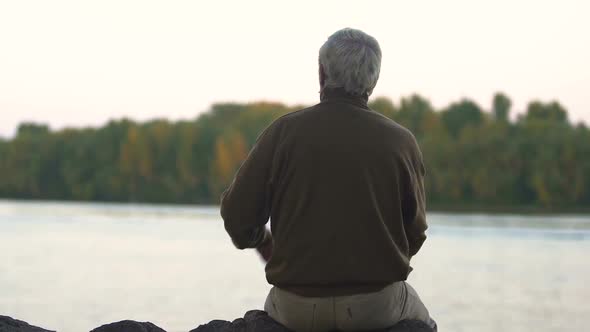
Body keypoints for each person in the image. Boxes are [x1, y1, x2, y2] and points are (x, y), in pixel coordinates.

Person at [220, 28, 437, 332]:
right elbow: (415, 232)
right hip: (375, 308)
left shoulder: (282, 133)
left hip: (295, 308)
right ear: (372, 81)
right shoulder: (401, 142)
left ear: (322, 73)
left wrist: (264, 242)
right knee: (425, 324)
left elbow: (237, 217)